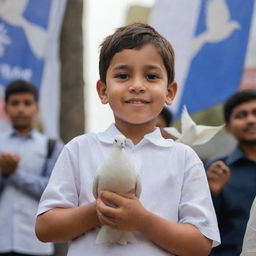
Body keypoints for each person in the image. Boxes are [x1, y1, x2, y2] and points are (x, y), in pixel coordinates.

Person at [35, 23, 220, 256]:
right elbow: (45, 228)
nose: (137, 86)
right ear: (103, 91)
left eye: (151, 76)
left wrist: (142, 220)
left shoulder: (184, 159)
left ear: (170, 92)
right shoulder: (79, 149)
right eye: (123, 76)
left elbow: (200, 245)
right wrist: (97, 212)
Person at [0, 80, 63, 256]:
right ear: (5, 109)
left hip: (37, 244)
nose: (21, 109)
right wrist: (4, 175)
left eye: (27, 103)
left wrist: (12, 174)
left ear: (36, 108)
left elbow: (52, 191)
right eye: (15, 103)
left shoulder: (51, 147)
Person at [206, 89, 256, 256]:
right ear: (228, 128)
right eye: (241, 115)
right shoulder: (216, 170)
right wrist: (213, 193)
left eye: (255, 113)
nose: (250, 120)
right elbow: (201, 227)